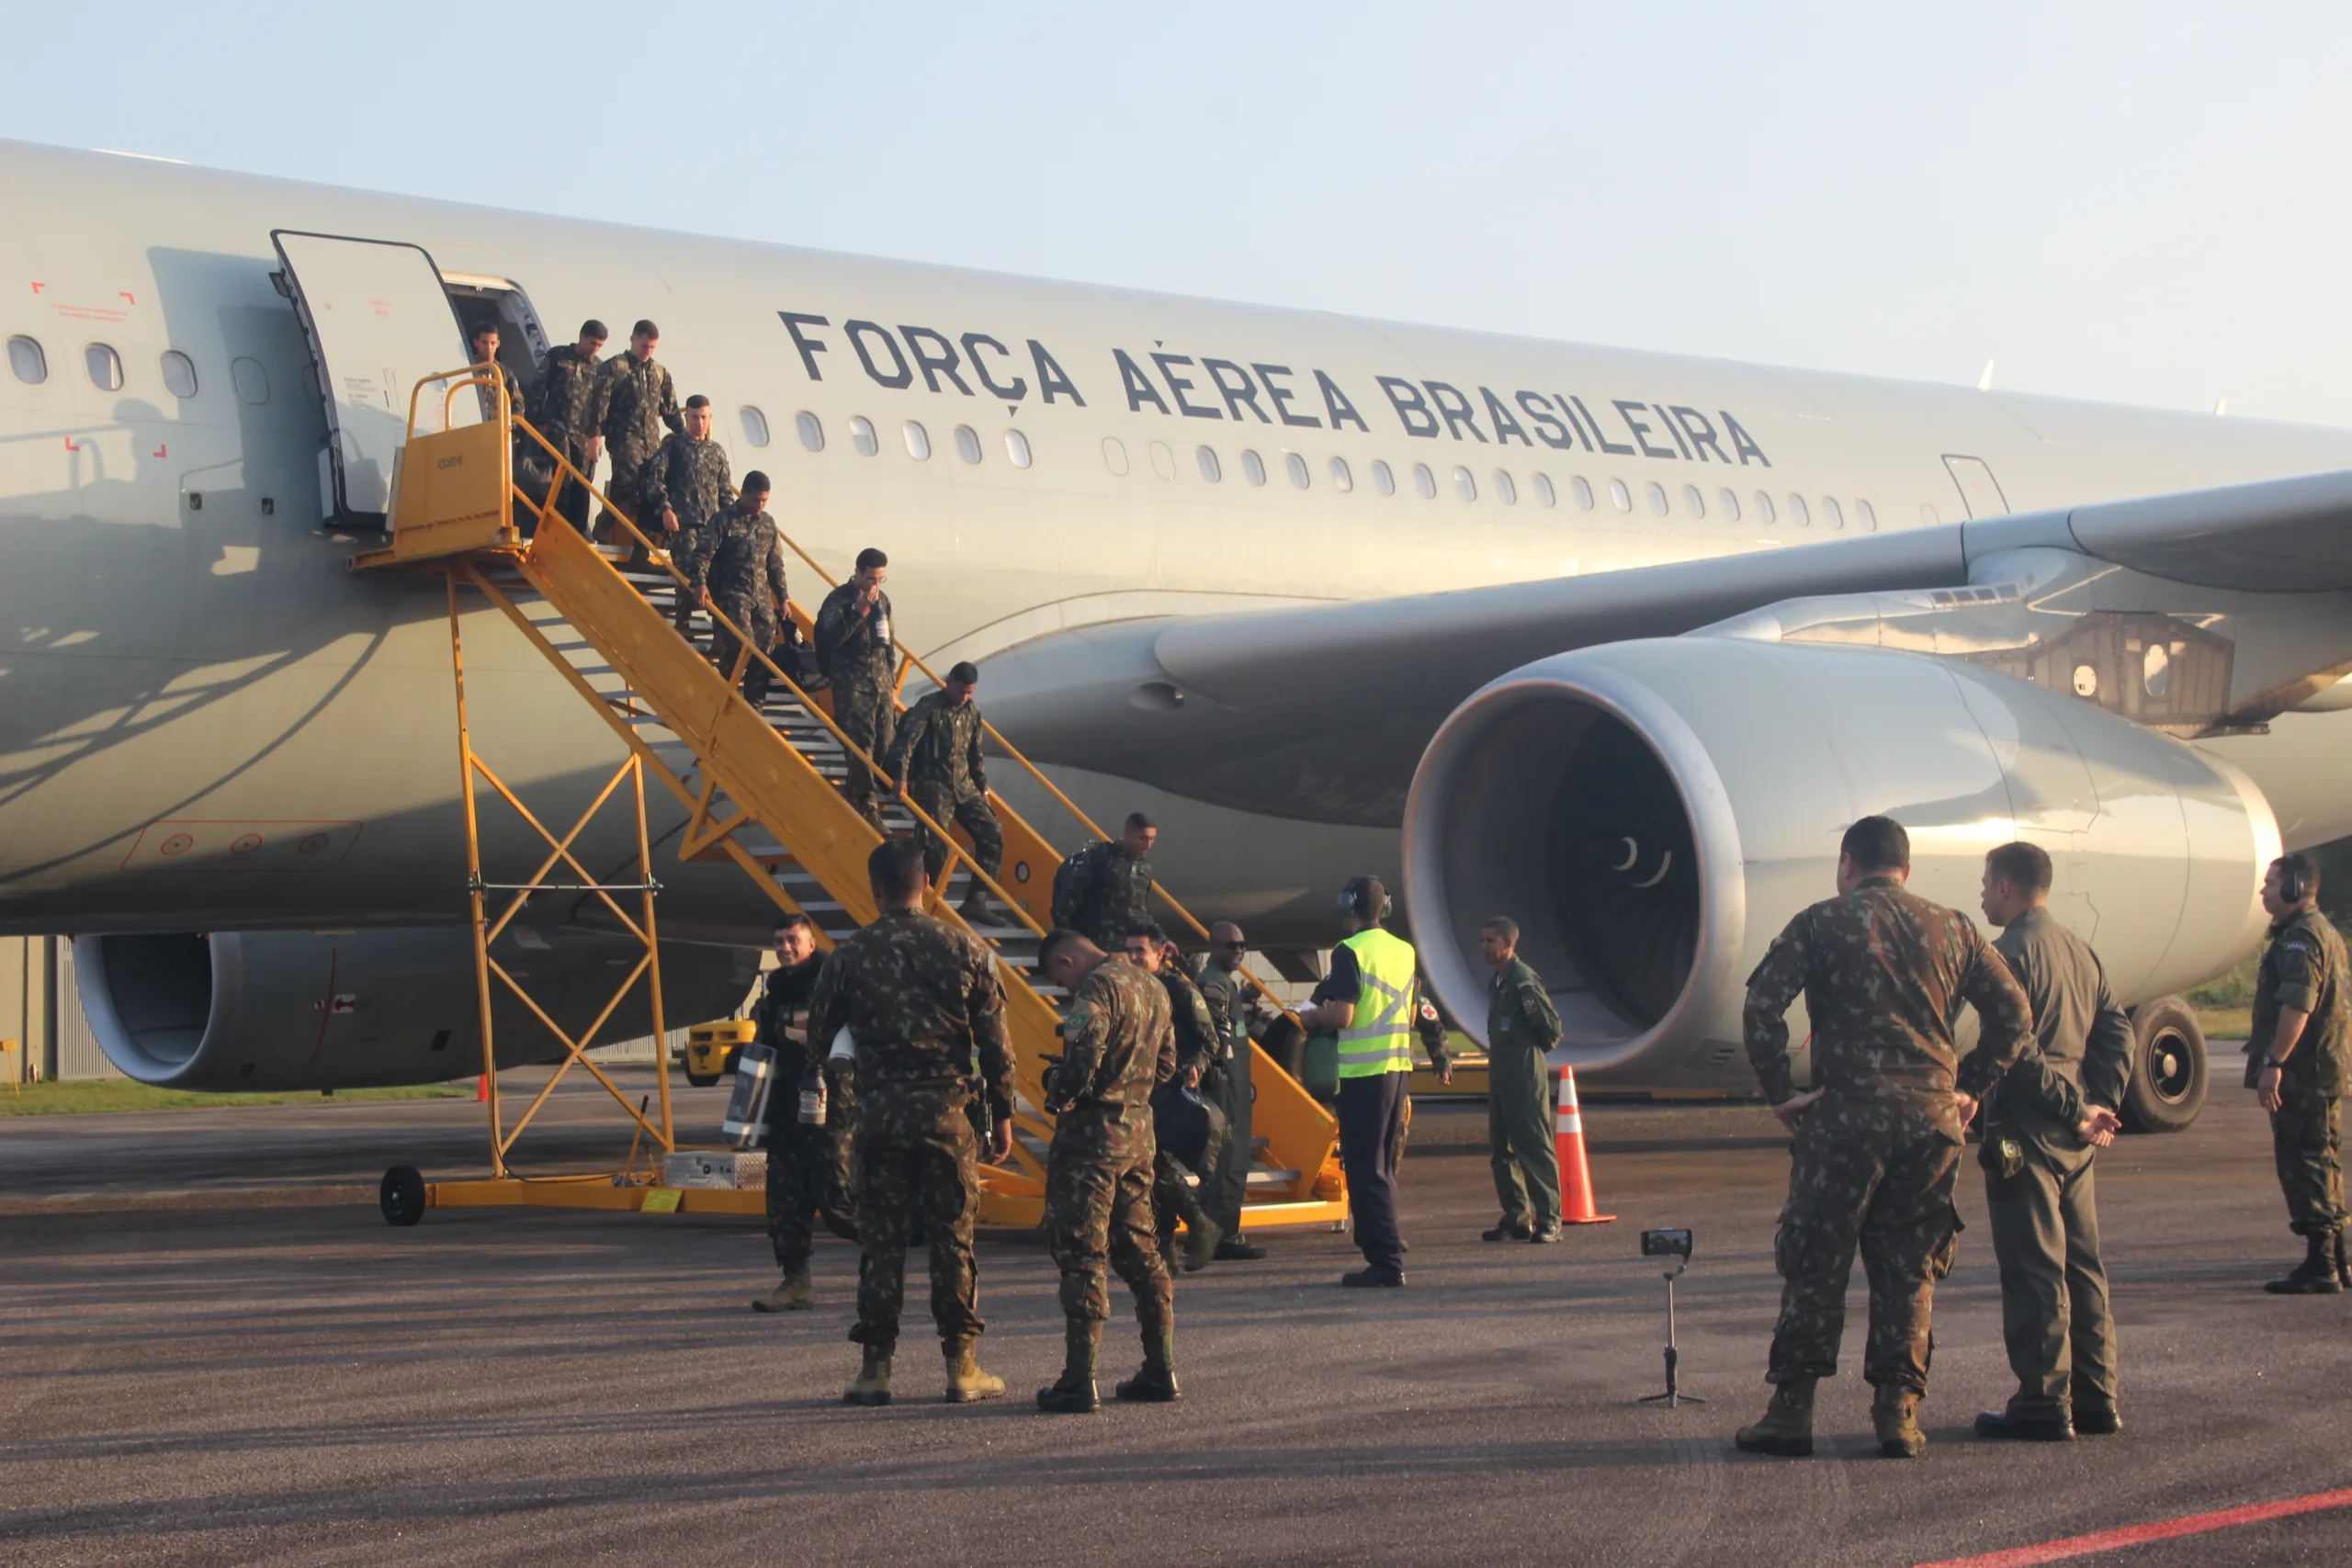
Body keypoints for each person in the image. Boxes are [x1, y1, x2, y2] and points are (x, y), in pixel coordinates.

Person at [1735, 815, 2063, 1461]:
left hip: (1845, 1118)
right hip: (1930, 1123)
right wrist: (1968, 1085)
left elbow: (1762, 1003)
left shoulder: (1821, 922)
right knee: (1910, 1270)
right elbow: (2015, 1013)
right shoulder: (1956, 927)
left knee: (1815, 1263)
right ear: (1906, 870)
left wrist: (1779, 1090)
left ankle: (1792, 1409)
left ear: (1848, 863)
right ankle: (1897, 1414)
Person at [806, 838, 1015, 1407]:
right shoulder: (966, 949)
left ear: (875, 888)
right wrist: (1000, 1117)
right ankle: (960, 1367)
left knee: (881, 1241)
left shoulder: (848, 957)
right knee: (953, 1238)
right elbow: (996, 1049)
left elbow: (819, 1040)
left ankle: (875, 1370)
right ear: (927, 884)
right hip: (948, 1116)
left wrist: (830, 1097)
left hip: (878, 1118)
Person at [1972, 841, 2132, 1440]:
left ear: (2008, 886)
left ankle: (2043, 1399)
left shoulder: (2007, 953)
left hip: (2027, 1130)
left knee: (2034, 1265)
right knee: (2083, 1266)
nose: (1983, 893)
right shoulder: (2078, 949)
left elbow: (2015, 1050)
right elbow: (2117, 1027)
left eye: (1986, 882)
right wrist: (2101, 1103)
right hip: (2077, 1134)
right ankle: (2096, 1395)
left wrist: (2072, 1106)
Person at [1035, 927, 1180, 1412]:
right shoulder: (1153, 986)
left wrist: (1058, 1090)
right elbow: (1166, 1066)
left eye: (1061, 982)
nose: (1066, 992)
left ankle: (1080, 1378)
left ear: (1066, 961)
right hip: (1138, 1136)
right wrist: (1129, 1090)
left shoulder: (1098, 987)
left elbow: (1085, 1052)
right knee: (1141, 1249)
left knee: (1082, 1253)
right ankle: (1160, 1368)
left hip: (1092, 1143)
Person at [1295, 874, 1444, 1288]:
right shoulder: (1404, 950)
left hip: (1363, 1073)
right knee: (1382, 1165)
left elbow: (1342, 1015)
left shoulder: (1349, 951)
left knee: (1365, 1168)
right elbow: (1412, 1015)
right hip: (1398, 1068)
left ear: (1349, 906)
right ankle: (1385, 1243)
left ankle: (1386, 1259)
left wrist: (1308, 1018)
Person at [2248, 851, 2352, 1294]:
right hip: (2321, 1069)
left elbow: (2298, 1005)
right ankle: (2338, 1259)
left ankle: (2321, 1264)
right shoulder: (2321, 931)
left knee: (2304, 1161)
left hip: (2303, 1073)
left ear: (2292, 888)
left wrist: (2275, 1062)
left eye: (2270, 884)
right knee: (2323, 1161)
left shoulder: (2299, 939)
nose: (2264, 891)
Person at [749, 913, 856, 1314]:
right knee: (784, 1201)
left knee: (840, 1199)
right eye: (778, 941)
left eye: (793, 939)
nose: (785, 948)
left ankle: (886, 1263)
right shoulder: (775, 990)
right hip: (786, 1111)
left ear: (811, 943)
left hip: (833, 1110)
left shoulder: (834, 984)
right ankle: (795, 1283)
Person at [1122, 926, 1226, 1273]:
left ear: (1159, 953)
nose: (1135, 958)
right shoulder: (1130, 988)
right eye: (1130, 951)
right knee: (1151, 1168)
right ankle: (1168, 1249)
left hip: (1169, 1089)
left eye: (1141, 951)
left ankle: (1196, 1225)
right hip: (1141, 1089)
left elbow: (1208, 1038)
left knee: (1152, 1164)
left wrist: (1194, 1066)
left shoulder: (1177, 988)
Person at [889, 660, 1004, 921]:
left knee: (993, 833)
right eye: (961, 691)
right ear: (949, 682)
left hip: (963, 785)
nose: (964, 697)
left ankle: (977, 901)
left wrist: (982, 788)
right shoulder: (929, 708)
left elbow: (975, 752)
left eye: (970, 693)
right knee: (935, 845)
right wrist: (901, 778)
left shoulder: (972, 711)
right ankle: (926, 902)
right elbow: (906, 744)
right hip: (933, 785)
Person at [1479, 917, 1566, 1245]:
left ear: (1509, 945)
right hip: (1501, 1074)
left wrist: (1526, 1055)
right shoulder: (1497, 983)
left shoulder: (1523, 981)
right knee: (1502, 1148)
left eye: (1491, 941)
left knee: (1534, 1146)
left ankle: (1549, 1218)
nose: (1485, 947)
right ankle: (1516, 1216)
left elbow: (1550, 1029)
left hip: (1524, 1074)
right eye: (1483, 940)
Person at [1193, 921, 1267, 1260]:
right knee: (1225, 1160)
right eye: (1231, 945)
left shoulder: (1226, 984)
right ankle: (1220, 1237)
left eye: (1242, 945)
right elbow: (1209, 1040)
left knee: (1234, 1159)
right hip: (1222, 1087)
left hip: (1233, 1085)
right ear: (1214, 947)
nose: (1239, 950)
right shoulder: (1213, 985)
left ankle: (1226, 1233)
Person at [686, 473, 791, 706]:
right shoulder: (723, 520)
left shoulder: (767, 523)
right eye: (756, 500)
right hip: (731, 593)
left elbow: (774, 563)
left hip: (761, 596)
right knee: (744, 643)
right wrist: (700, 583)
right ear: (743, 493)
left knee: (763, 651)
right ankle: (724, 687)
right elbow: (702, 555)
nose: (760, 505)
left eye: (765, 500)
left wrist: (783, 597)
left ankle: (755, 705)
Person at [813, 547, 899, 826]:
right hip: (852, 683)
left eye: (880, 580)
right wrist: (858, 613)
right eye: (871, 578)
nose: (876, 585)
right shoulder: (839, 600)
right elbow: (831, 638)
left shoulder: (883, 601)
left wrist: (892, 681)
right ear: (858, 573)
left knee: (886, 742)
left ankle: (860, 790)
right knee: (860, 744)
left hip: (881, 683)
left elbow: (888, 642)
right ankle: (866, 802)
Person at [639, 394, 733, 630]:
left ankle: (719, 636)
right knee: (688, 574)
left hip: (712, 525)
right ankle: (683, 623)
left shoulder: (717, 452)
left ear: (710, 419)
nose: (699, 423)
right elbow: (655, 478)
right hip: (684, 523)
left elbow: (725, 492)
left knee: (716, 576)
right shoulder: (674, 447)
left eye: (703, 417)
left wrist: (732, 524)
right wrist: (666, 508)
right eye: (694, 417)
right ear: (686, 417)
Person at [590, 318, 681, 546]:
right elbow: (598, 405)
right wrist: (594, 436)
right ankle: (604, 527)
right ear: (633, 339)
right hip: (624, 438)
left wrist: (686, 436)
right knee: (629, 482)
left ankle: (637, 542)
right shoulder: (616, 368)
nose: (647, 352)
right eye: (644, 346)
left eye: (652, 347)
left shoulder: (659, 373)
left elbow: (670, 410)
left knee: (646, 489)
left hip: (650, 441)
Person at [527, 319, 606, 530]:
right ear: (581, 337)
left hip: (582, 434)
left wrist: (596, 434)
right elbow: (538, 388)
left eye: (599, 345)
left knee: (582, 483)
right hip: (556, 427)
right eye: (592, 343)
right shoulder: (558, 356)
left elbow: (601, 404)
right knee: (562, 480)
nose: (595, 349)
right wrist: (534, 424)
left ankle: (577, 532)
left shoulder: (599, 367)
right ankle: (555, 529)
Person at [1053, 813, 1159, 952]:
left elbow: (1141, 910)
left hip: (1127, 947)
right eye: (1143, 838)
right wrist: (1064, 936)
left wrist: (1160, 938)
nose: (1148, 845)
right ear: (1127, 833)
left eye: (1152, 839)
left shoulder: (1143, 868)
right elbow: (1071, 894)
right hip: (1096, 945)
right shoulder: (1103, 856)